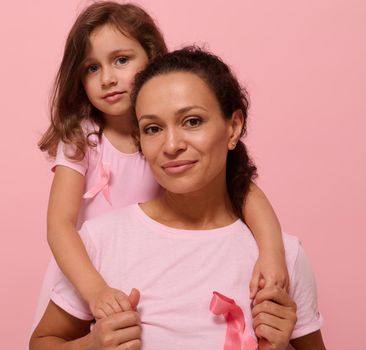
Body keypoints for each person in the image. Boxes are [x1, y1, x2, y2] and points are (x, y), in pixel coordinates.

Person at [30, 47, 325, 349]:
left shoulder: (282, 259)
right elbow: (41, 343)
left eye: (192, 121)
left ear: (233, 127)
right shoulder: (101, 242)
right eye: (153, 128)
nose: (171, 145)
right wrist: (90, 346)